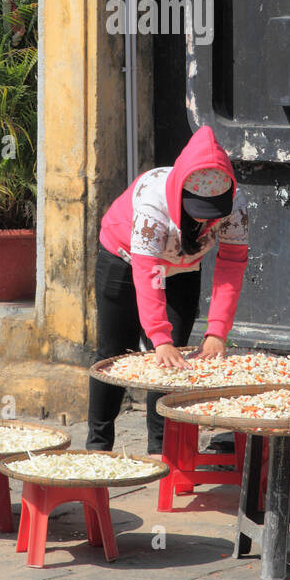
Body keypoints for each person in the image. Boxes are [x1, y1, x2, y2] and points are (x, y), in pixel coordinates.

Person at [87, 125, 249, 455]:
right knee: (115, 351)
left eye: (211, 215)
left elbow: (232, 263)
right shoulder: (153, 203)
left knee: (173, 359)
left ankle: (162, 451)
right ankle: (98, 446)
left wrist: (217, 331)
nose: (204, 223)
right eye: (197, 212)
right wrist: (158, 336)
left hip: (183, 267)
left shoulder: (236, 205)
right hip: (124, 259)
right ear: (180, 194)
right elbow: (147, 273)